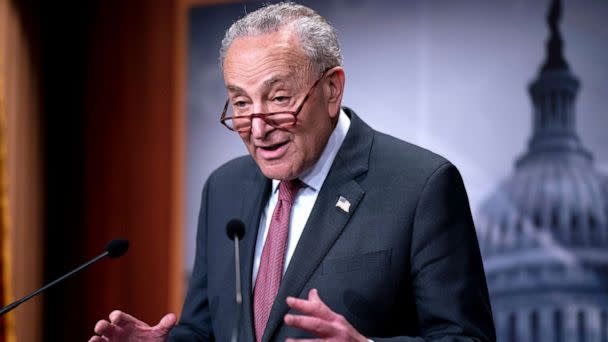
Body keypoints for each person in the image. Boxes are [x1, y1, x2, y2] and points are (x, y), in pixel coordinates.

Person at [89, 2, 495, 341]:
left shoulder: (422, 186)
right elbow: (208, 329)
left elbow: (466, 337)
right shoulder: (224, 188)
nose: (259, 129)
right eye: (242, 104)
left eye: (279, 97)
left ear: (332, 89)